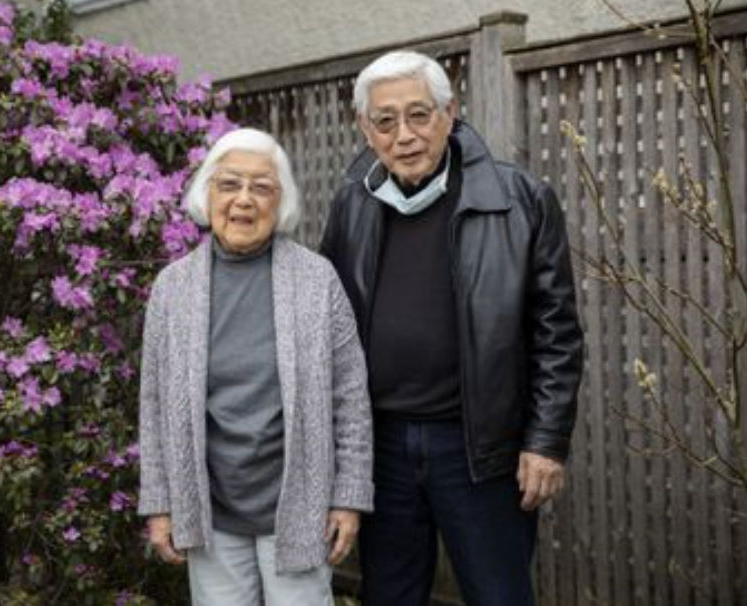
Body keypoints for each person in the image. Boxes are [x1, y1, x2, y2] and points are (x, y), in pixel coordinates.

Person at [320, 50, 583, 606]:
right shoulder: (352, 204)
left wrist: (546, 441)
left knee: (498, 594)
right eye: (385, 121)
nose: (404, 135)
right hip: (382, 448)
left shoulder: (520, 199)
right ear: (366, 130)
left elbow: (557, 333)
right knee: (389, 594)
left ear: (449, 112)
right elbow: (331, 326)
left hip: (480, 448)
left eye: (419, 115)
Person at [137, 127, 374, 606]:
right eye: (229, 185)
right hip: (212, 511)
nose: (244, 200)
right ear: (207, 194)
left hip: (299, 508)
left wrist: (347, 497)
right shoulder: (172, 288)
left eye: (261, 187)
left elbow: (350, 397)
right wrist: (160, 503)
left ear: (280, 202)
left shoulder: (316, 280)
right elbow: (154, 405)